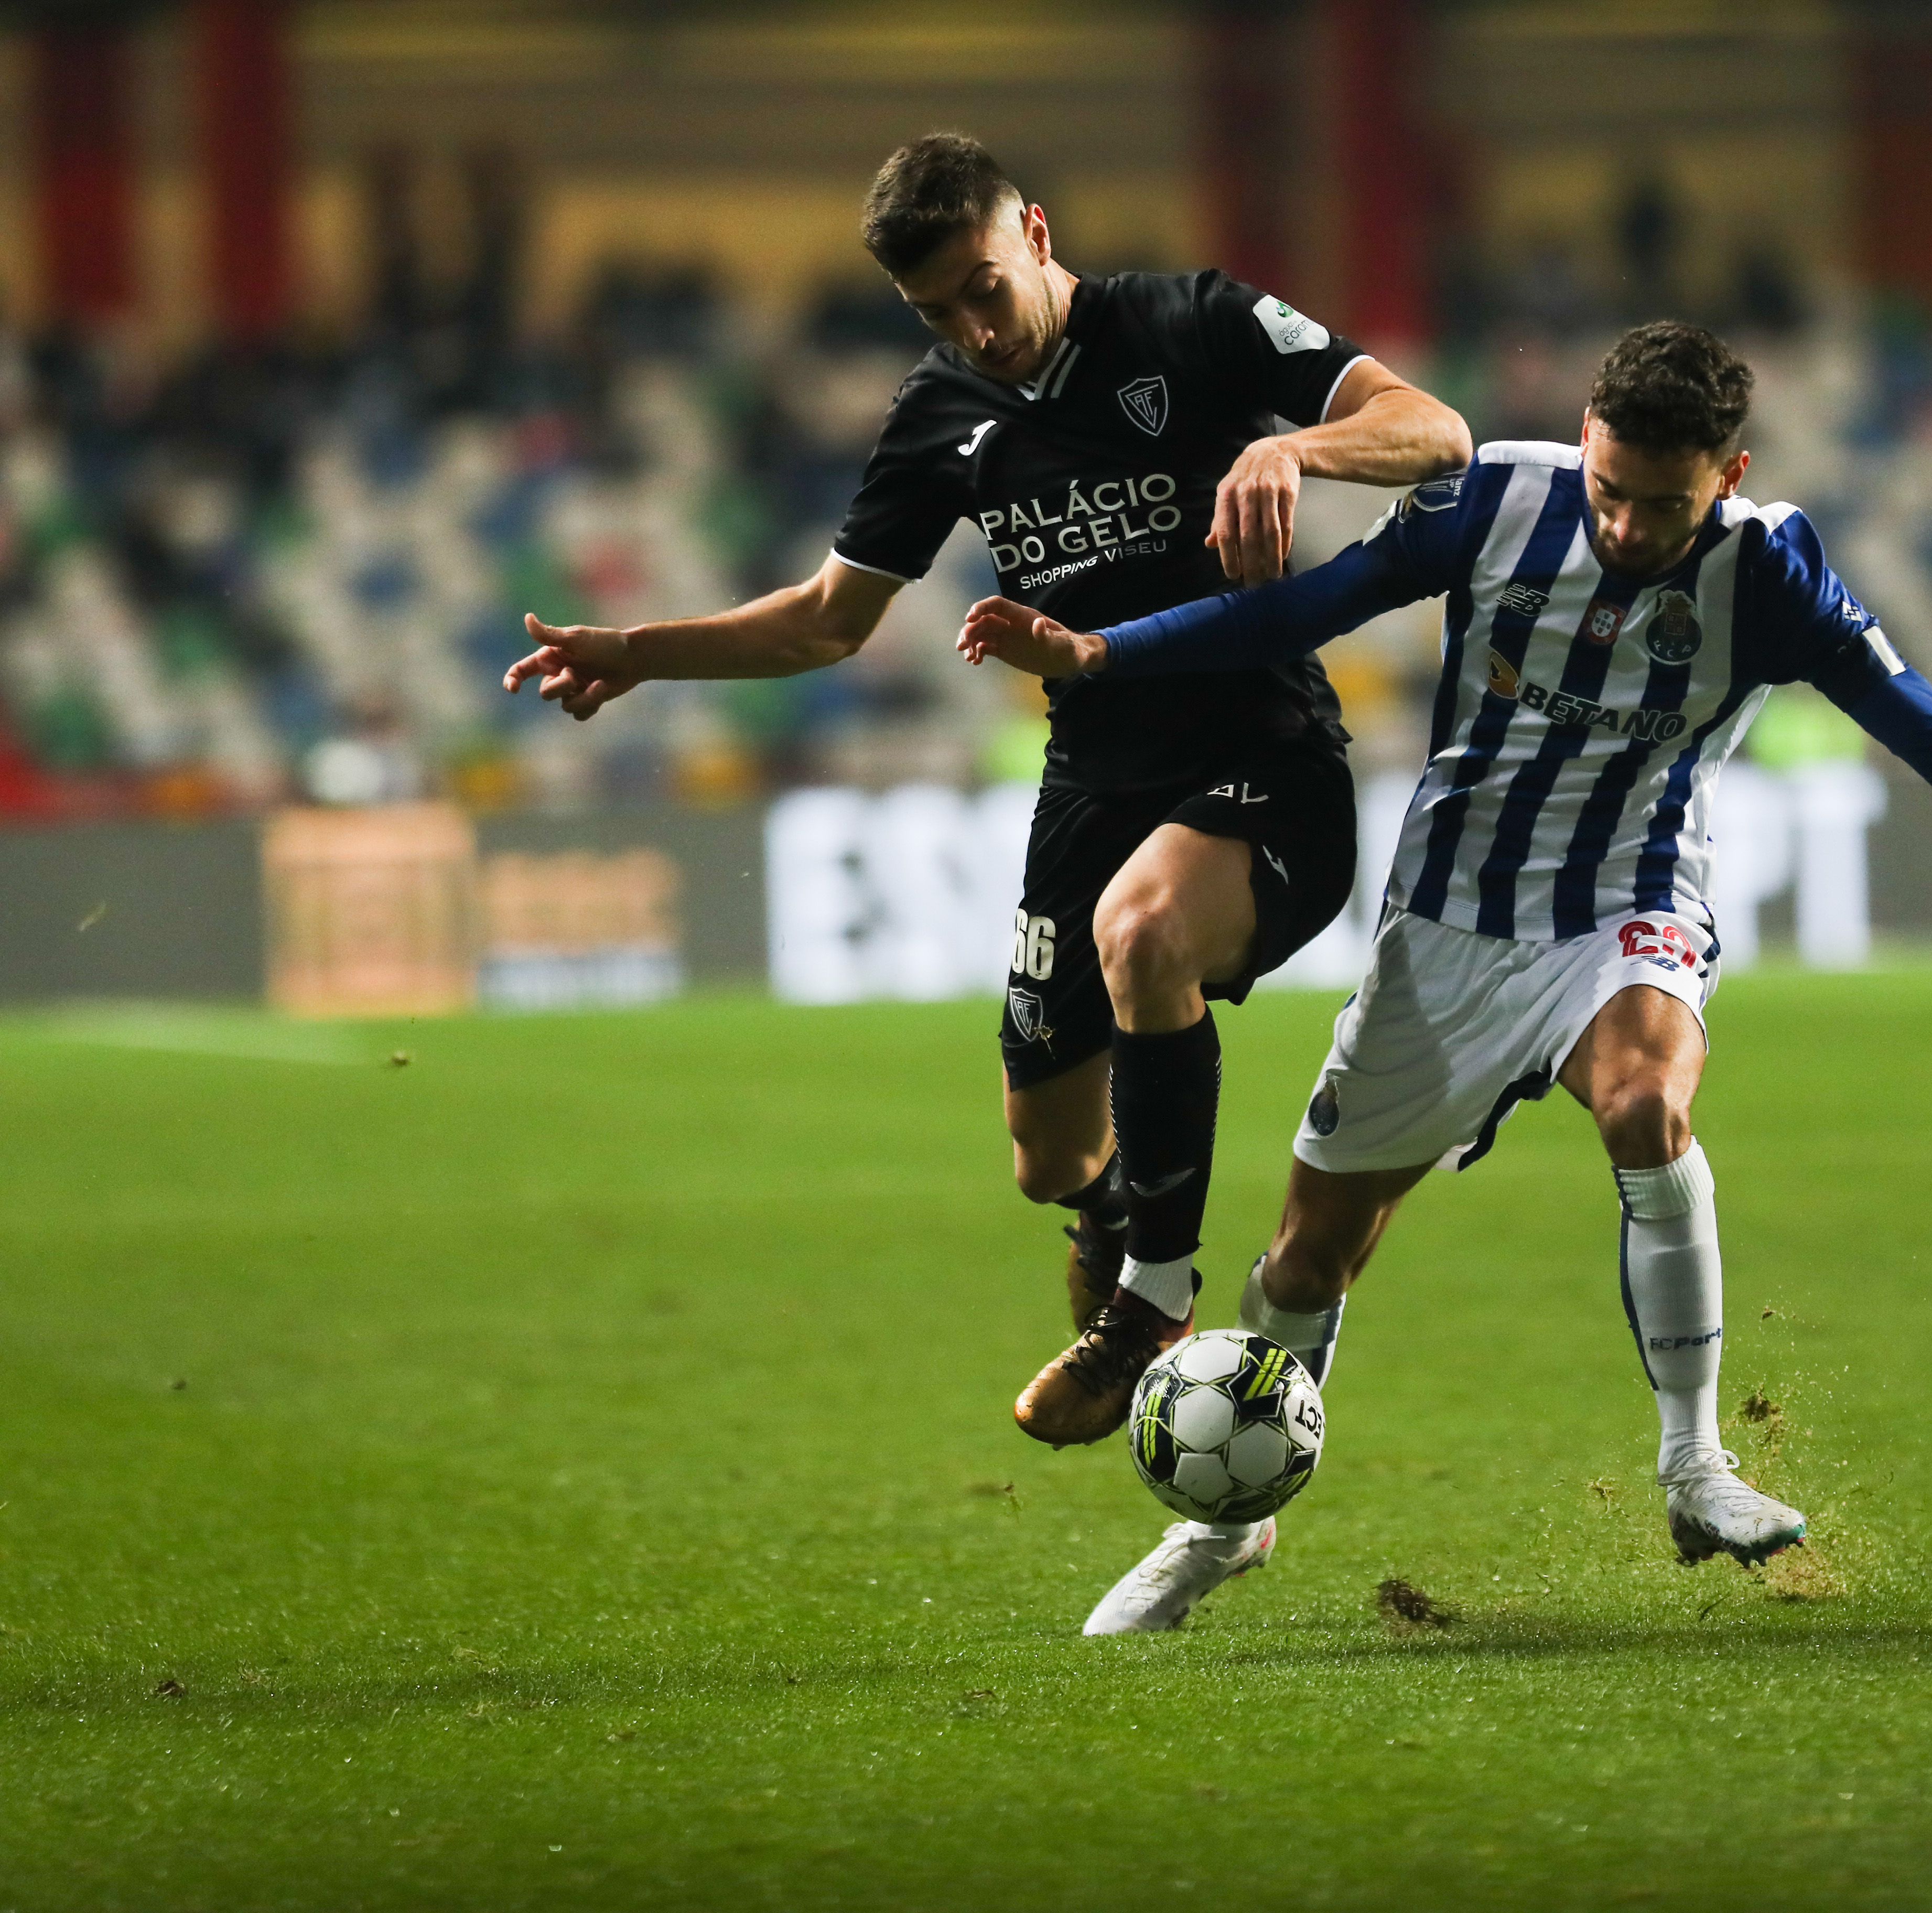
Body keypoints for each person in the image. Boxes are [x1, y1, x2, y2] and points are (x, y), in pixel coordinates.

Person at [962, 321, 1932, 1633]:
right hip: (1448, 931)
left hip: (1629, 907)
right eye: (1610, 491)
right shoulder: (1495, 500)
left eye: (1666, 504)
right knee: (1305, 1264)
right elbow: (1304, 607)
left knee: (1647, 1107)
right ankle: (1228, 1524)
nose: (1633, 527)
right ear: (1584, 446)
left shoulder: (1774, 572)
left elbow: (1916, 718)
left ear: (1731, 473)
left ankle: (1698, 1465)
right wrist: (1103, 655)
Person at [503, 133, 1471, 1442]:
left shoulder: (1196, 319)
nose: (975, 327)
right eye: (935, 311)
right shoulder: (939, 417)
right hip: (1093, 780)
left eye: (984, 286)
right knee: (1051, 1159)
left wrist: (1298, 451)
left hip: (1264, 754)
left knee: (1144, 936)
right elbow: (826, 621)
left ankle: (1153, 1304)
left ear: (1038, 234)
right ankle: (1118, 1212)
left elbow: (1434, 427)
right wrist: (639, 653)